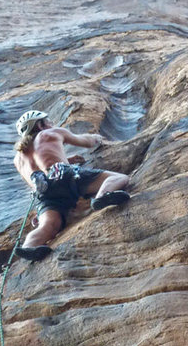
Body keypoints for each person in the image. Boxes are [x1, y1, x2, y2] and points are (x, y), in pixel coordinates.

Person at [12, 110, 130, 261]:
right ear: (40, 125)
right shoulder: (49, 133)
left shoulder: (18, 159)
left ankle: (29, 247)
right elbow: (84, 141)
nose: (51, 124)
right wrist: (95, 138)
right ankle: (102, 196)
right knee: (119, 177)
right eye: (48, 121)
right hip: (63, 176)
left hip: (44, 194)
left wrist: (66, 159)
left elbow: (39, 171)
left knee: (49, 226)